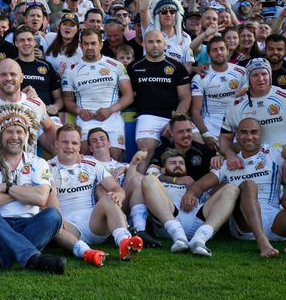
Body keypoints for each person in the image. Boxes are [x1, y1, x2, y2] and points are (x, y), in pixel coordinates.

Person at [192, 117, 286, 259]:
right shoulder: (228, 162)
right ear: (237, 136)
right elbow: (198, 186)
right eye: (244, 132)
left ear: (261, 135)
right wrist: (190, 194)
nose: (249, 137)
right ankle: (262, 241)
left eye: (254, 132)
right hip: (244, 225)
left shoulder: (274, 151)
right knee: (249, 185)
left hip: (275, 220)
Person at [0, 103, 65, 274]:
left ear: (27, 136)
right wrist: (23, 192)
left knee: (53, 215)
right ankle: (34, 258)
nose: (15, 136)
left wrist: (7, 187)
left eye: (19, 131)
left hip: (29, 225)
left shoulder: (38, 162)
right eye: (9, 131)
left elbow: (41, 199)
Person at [219, 58, 286, 194]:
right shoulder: (236, 105)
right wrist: (229, 154)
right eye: (255, 75)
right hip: (251, 160)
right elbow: (224, 138)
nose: (261, 79)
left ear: (270, 75)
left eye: (264, 74)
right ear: (248, 78)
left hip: (283, 156)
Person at [47, 125, 143, 266]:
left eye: (74, 143)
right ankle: (87, 253)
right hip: (67, 225)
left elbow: (116, 188)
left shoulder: (92, 163)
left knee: (109, 198)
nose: (69, 147)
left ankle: (124, 243)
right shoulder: (47, 166)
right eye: (65, 142)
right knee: (51, 221)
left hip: (93, 222)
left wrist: (118, 196)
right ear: (56, 144)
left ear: (80, 145)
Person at [146, 149, 239, 256]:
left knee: (231, 189)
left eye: (181, 163)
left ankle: (200, 238)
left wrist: (222, 158)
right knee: (148, 180)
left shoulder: (193, 183)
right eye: (173, 163)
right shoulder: (160, 182)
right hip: (170, 219)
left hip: (199, 221)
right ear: (163, 169)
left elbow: (214, 194)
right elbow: (150, 174)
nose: (178, 165)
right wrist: (175, 180)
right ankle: (178, 235)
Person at [62, 28, 133, 159]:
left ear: (101, 44)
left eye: (93, 43)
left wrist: (110, 110)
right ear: (80, 45)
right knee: (84, 157)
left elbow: (128, 96)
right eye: (86, 43)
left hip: (112, 118)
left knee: (114, 157)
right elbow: (68, 100)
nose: (89, 47)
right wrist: (79, 111)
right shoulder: (71, 70)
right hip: (85, 120)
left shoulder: (116, 65)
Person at [128, 29, 190, 160]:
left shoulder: (177, 67)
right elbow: (129, 94)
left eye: (158, 41)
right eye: (150, 42)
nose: (155, 45)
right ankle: (137, 180)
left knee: (198, 143)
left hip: (174, 115)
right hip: (147, 117)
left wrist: (174, 121)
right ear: (144, 44)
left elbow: (185, 98)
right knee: (144, 151)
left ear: (165, 44)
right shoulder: (133, 67)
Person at [191, 36, 247, 148]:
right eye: (214, 50)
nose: (219, 52)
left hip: (238, 124)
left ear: (227, 50)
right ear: (208, 53)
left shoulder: (242, 72)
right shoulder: (200, 77)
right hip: (211, 126)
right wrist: (206, 135)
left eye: (222, 49)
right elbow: (195, 111)